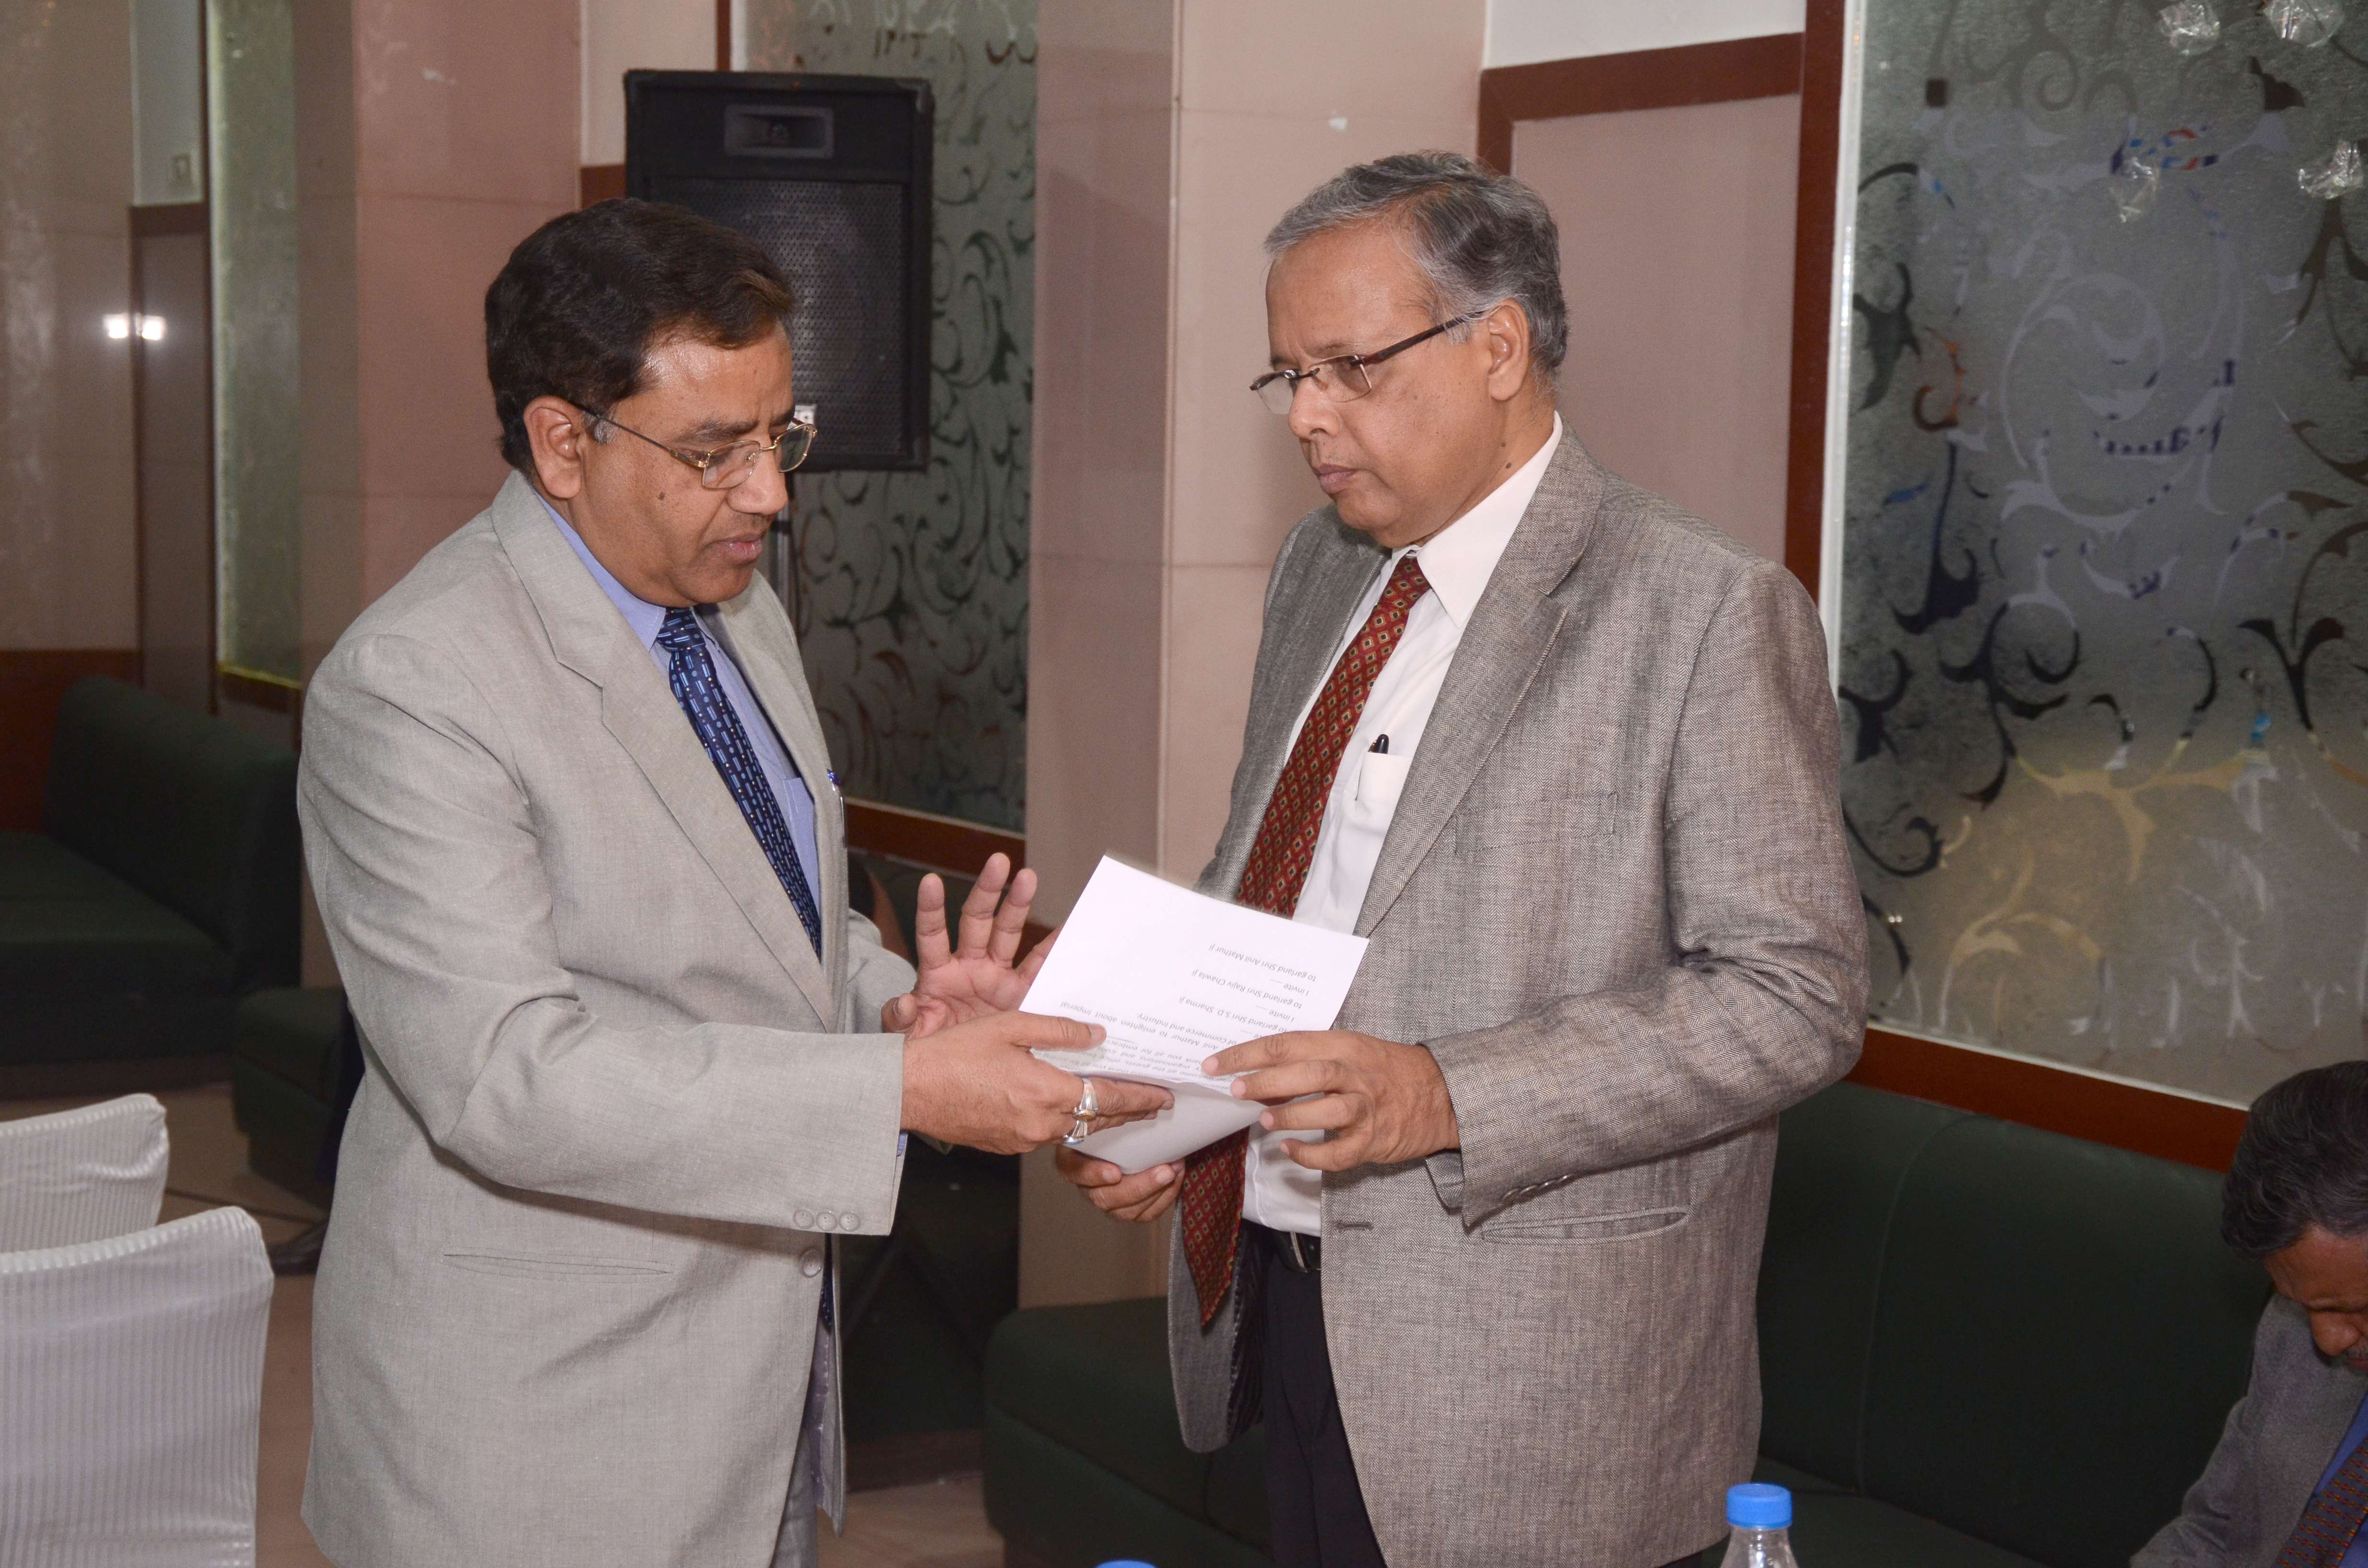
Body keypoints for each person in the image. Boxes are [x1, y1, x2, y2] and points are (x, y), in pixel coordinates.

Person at [296, 199, 1163, 1568]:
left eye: (780, 436)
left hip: (755, 1382)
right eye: (716, 452)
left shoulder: (737, 608)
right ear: (563, 443)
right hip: (541, 1418)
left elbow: (769, 919)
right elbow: (505, 1076)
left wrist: (898, 1005)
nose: (771, 495)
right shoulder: (417, 684)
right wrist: (899, 1090)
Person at [1055, 152, 1869, 1566]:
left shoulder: (1701, 610)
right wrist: (1157, 1100)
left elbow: (1794, 996)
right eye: (1288, 375)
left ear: (1498, 347)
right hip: (1284, 1282)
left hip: (1535, 1369)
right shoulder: (1322, 567)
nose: (1307, 415)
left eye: (1349, 368)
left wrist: (1446, 1094)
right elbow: (1281, 881)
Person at [2139, 1062, 2368, 1567]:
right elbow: (2214, 1531)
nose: (2327, 1340)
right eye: (2303, 1304)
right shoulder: (2298, 1319)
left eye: (2356, 1308)